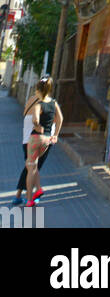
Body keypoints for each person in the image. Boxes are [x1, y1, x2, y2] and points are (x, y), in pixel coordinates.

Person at [24, 76, 62, 208]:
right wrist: (55, 135)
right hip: (47, 139)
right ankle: (39, 188)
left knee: (30, 167)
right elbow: (60, 119)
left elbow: (35, 119)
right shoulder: (54, 103)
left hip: (36, 138)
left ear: (38, 90)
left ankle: (29, 199)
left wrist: (37, 125)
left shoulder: (38, 104)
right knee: (33, 166)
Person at [13, 85, 53, 205]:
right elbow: (53, 122)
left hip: (26, 140)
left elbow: (26, 117)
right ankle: (29, 196)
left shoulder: (30, 100)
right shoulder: (47, 104)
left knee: (30, 167)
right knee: (33, 168)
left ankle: (21, 195)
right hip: (40, 139)